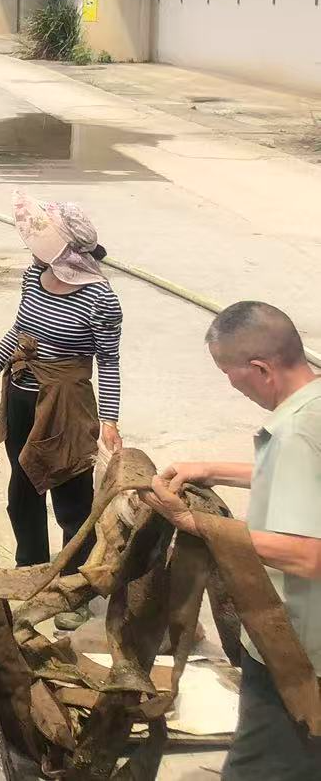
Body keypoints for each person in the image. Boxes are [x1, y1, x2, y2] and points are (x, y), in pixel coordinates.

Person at [143, 301, 321, 777]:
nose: (230, 385)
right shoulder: (315, 407)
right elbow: (297, 478)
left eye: (228, 372)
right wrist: (214, 469)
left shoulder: (294, 435)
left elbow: (308, 556)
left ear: (260, 368)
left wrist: (195, 524)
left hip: (299, 650)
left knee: (260, 767)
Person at [0, 192, 123, 628]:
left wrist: (109, 419)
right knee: (23, 488)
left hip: (67, 404)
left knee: (71, 497)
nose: (33, 246)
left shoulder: (101, 299)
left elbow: (108, 361)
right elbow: (21, 329)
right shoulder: (35, 275)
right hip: (21, 394)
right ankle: (31, 569)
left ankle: (72, 588)